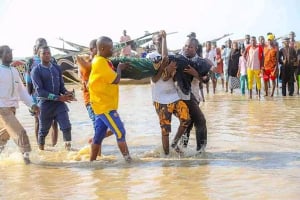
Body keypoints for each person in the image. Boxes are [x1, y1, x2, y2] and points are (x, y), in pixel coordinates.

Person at [88, 36, 132, 162]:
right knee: (120, 132)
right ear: (102, 48)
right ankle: (129, 161)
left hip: (101, 105)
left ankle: (92, 163)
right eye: (110, 48)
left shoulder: (102, 60)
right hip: (105, 106)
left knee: (99, 136)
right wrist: (119, 69)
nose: (113, 50)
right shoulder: (100, 62)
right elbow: (115, 79)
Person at [147, 31, 190, 156]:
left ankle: (173, 145)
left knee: (186, 119)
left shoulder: (171, 55)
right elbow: (154, 79)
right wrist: (163, 68)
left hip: (174, 96)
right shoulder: (151, 57)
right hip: (160, 99)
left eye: (162, 39)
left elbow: (172, 77)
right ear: (154, 42)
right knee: (165, 130)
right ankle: (166, 157)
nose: (161, 41)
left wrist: (171, 72)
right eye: (158, 39)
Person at [0, 45, 39, 164]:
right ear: (1, 55)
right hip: (2, 108)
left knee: (3, 136)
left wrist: (32, 104)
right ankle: (27, 163)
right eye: (7, 53)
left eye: (11, 52)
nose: (10, 54)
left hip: (12, 109)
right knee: (20, 133)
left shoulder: (14, 70)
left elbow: (21, 91)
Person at [31, 46, 75, 150]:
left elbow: (61, 87)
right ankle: (41, 150)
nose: (47, 55)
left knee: (67, 127)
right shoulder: (36, 71)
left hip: (59, 104)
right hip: (45, 105)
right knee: (43, 132)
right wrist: (59, 98)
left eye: (48, 53)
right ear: (39, 55)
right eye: (44, 53)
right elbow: (39, 91)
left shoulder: (56, 68)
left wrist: (67, 93)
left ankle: (68, 151)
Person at [76, 39, 113, 155]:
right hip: (91, 101)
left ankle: (95, 146)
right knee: (100, 128)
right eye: (98, 48)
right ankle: (97, 157)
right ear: (92, 50)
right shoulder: (89, 65)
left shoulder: (98, 62)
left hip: (101, 100)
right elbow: (87, 81)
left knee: (111, 128)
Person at [178, 38, 212, 153]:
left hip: (195, 96)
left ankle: (182, 150)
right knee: (200, 121)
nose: (187, 48)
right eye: (186, 46)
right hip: (182, 96)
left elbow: (206, 80)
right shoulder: (179, 59)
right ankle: (200, 151)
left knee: (188, 123)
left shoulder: (200, 62)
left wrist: (195, 74)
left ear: (196, 48)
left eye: (190, 47)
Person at [25, 38, 58, 146]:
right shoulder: (31, 62)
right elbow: (28, 81)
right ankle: (42, 147)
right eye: (41, 46)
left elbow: (58, 77)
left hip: (50, 95)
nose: (43, 48)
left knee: (51, 122)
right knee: (40, 121)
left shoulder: (52, 60)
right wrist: (29, 100)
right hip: (38, 96)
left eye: (45, 45)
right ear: (36, 48)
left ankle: (50, 147)